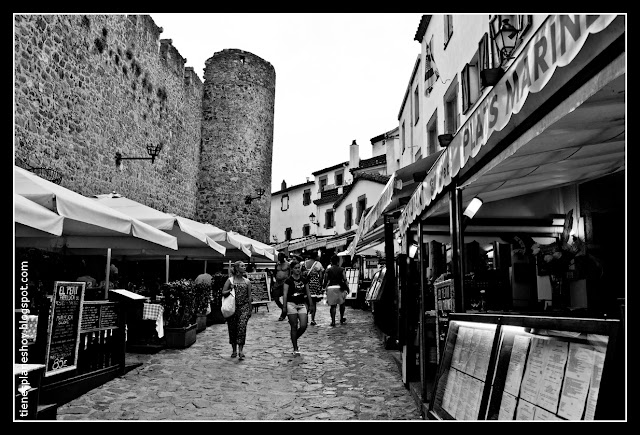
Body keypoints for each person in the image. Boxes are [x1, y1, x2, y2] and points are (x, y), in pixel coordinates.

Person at [221, 261, 253, 360]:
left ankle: (241, 350)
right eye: (242, 266)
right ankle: (234, 349)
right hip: (232, 307)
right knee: (233, 328)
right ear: (237, 268)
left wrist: (249, 310)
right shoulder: (230, 280)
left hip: (243, 307)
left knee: (242, 328)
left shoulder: (247, 281)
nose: (244, 267)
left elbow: (249, 297)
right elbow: (223, 292)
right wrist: (231, 289)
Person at [281, 259, 313, 356]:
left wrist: (311, 304)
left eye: (299, 268)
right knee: (294, 326)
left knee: (303, 325)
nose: (298, 270)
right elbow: (285, 294)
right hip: (291, 304)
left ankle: (294, 338)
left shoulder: (304, 280)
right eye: (295, 268)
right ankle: (295, 347)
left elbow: (308, 292)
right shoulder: (288, 281)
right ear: (292, 269)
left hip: (302, 304)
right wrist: (284, 307)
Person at [322, 255, 349, 327]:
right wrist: (348, 287)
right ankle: (341, 318)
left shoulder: (328, 270)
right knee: (342, 304)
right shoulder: (341, 269)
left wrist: (324, 288)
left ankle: (333, 321)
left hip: (331, 288)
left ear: (331, 262)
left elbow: (325, 280)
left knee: (333, 306)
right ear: (338, 261)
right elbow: (345, 279)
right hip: (340, 287)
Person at [302, 253, 325, 326]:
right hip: (315, 284)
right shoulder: (318, 264)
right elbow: (321, 276)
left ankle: (305, 319)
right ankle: (312, 319)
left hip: (306, 283)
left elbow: (301, 274)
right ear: (315, 257)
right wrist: (320, 285)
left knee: (306, 301)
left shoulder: (304, 263)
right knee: (313, 302)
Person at [272, 252, 291, 319]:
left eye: (280, 257)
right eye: (278, 257)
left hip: (285, 282)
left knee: (285, 298)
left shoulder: (288, 264)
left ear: (283, 257)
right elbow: (275, 272)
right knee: (276, 298)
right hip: (278, 282)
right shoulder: (277, 264)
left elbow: (290, 273)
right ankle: (283, 308)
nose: (279, 258)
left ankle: (283, 314)